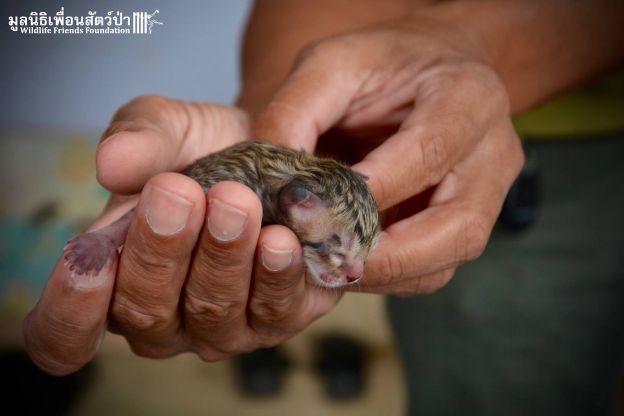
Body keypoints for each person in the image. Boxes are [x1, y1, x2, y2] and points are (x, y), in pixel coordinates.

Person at [23, 0, 624, 413]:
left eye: (353, 252)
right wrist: (277, 101)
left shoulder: (305, 209)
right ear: (297, 201)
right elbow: (176, 188)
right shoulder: (254, 183)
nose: (354, 270)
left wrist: (466, 46)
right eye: (339, 245)